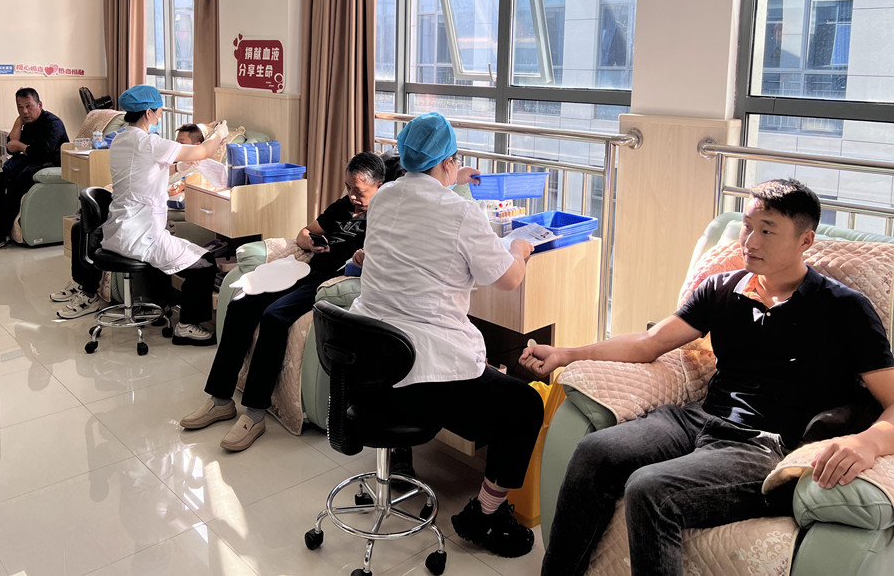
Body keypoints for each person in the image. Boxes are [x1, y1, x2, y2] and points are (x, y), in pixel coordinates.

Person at [521, 178, 894, 576]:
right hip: (699, 420)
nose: (750, 241)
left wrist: (868, 443)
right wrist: (564, 354)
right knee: (594, 452)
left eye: (767, 231)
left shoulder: (845, 308)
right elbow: (649, 343)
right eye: (747, 226)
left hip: (765, 446)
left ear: (806, 241)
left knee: (650, 490)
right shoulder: (722, 288)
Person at [348, 112, 543, 559]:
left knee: (478, 366)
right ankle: (486, 516)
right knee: (525, 405)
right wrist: (518, 247)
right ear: (449, 162)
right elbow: (509, 279)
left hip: (371, 363)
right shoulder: (462, 213)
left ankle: (406, 465)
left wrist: (454, 183)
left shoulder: (385, 195)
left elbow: (424, 212)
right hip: (423, 380)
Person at [179, 152, 387, 452]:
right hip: (304, 270)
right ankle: (220, 400)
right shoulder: (342, 206)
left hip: (327, 283)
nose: (352, 196)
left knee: (274, 317)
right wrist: (306, 241)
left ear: (380, 186)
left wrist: (362, 261)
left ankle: (254, 414)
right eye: (348, 187)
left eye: (359, 191)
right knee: (242, 304)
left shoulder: (383, 219)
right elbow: (306, 230)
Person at [97, 86, 233, 345]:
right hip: (141, 235)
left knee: (173, 254)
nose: (160, 114)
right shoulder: (149, 143)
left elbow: (146, 170)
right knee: (205, 263)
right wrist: (219, 134)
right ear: (148, 112)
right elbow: (204, 151)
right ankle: (187, 326)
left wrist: (180, 167)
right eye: (159, 110)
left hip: (119, 230)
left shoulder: (121, 140)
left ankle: (163, 307)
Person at [53, 123, 206, 319]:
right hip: (138, 213)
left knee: (96, 234)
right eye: (176, 142)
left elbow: (178, 195)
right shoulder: (170, 161)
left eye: (181, 142)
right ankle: (81, 283)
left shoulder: (196, 172)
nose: (177, 146)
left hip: (152, 220)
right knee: (79, 227)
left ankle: (89, 292)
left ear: (197, 145)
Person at [0, 87, 68, 251]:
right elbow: (10, 147)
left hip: (51, 163)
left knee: (18, 181)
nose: (25, 111)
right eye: (20, 107)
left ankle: (1, 234)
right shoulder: (27, 123)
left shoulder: (52, 123)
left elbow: (42, 152)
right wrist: (18, 123)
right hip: (32, 162)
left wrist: (20, 146)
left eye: (29, 106)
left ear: (39, 105)